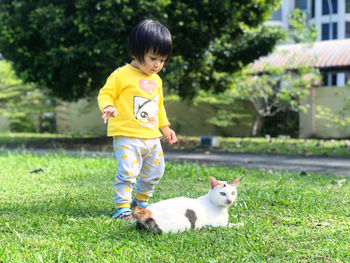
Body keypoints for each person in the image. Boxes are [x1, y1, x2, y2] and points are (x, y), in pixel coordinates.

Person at [98, 19, 177, 221]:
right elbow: (106, 93)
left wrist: (165, 127)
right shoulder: (121, 75)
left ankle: (140, 202)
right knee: (128, 171)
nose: (158, 64)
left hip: (152, 137)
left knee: (155, 171)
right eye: (153, 58)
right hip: (126, 135)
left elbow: (158, 106)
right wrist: (108, 106)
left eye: (163, 60)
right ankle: (123, 208)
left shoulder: (156, 80)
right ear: (135, 52)